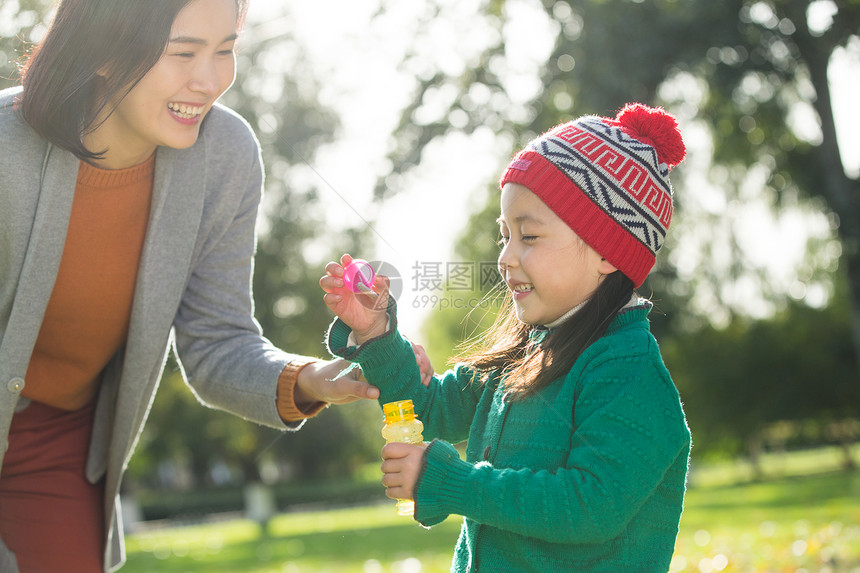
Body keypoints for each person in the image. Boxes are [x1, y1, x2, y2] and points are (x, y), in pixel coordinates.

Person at [0, 1, 391, 571]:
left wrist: (313, 378)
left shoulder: (225, 158)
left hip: (57, 442)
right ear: (104, 46)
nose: (209, 81)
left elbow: (217, 341)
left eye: (226, 50)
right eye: (183, 52)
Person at [321, 103, 693, 572]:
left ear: (607, 250)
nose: (506, 257)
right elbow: (429, 411)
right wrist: (376, 334)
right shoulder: (522, 355)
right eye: (504, 236)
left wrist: (449, 482)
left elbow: (589, 508)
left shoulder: (628, 372)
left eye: (529, 236)